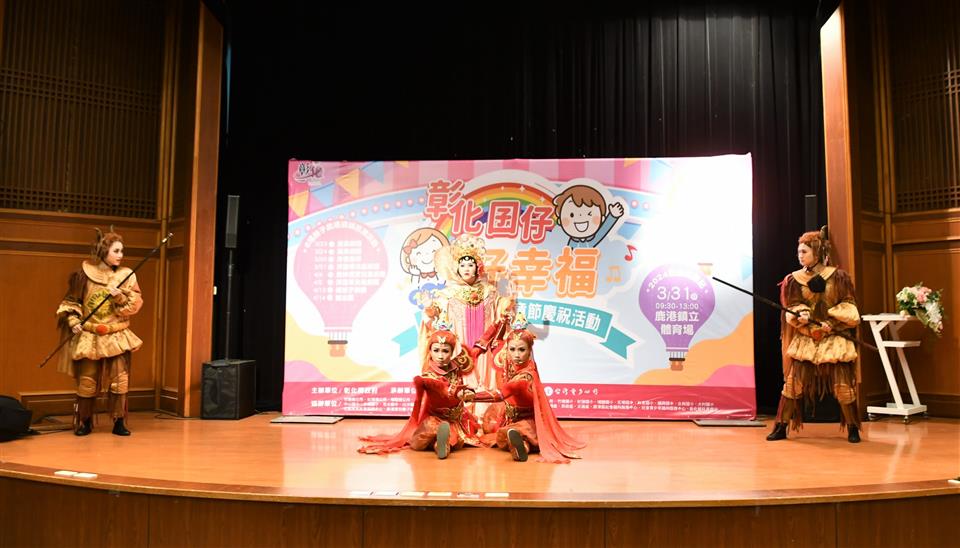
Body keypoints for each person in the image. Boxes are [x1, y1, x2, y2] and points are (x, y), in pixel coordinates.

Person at [767, 228, 862, 443]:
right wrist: (801, 315)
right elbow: (792, 305)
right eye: (799, 252)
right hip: (807, 336)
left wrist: (832, 323)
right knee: (792, 385)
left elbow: (849, 305)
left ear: (817, 252)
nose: (800, 256)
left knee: (843, 387)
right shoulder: (794, 279)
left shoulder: (838, 277)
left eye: (804, 252)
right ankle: (781, 426)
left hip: (834, 337)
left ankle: (852, 427)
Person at [56, 228, 143, 436]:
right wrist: (73, 320)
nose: (121, 255)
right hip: (90, 335)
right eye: (116, 251)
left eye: (122, 251)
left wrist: (119, 297)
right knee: (87, 380)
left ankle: (119, 421)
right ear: (104, 251)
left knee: (120, 380)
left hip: (116, 334)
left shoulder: (126, 276)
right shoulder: (83, 275)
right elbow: (71, 302)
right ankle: (85, 421)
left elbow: (134, 305)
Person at [463, 315, 585, 463]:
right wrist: (501, 323)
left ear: (529, 351)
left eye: (522, 350)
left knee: (512, 434)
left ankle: (521, 447)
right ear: (507, 350)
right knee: (494, 428)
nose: (516, 355)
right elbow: (496, 343)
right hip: (507, 415)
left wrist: (471, 396)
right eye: (512, 349)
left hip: (527, 420)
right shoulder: (507, 359)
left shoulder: (525, 376)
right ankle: (518, 442)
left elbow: (499, 394)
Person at [358, 316, 481, 459]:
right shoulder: (428, 375)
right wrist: (458, 393)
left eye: (445, 351)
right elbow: (441, 389)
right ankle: (440, 442)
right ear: (430, 351)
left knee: (457, 440)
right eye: (436, 350)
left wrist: (469, 392)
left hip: (457, 419)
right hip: (435, 417)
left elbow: (473, 360)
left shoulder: (456, 367)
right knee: (422, 438)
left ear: (452, 352)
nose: (440, 356)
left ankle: (441, 445)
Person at [423, 235, 514, 397]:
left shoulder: (489, 291)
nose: (466, 268)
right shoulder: (448, 293)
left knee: (486, 374)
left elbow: (499, 307)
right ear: (456, 268)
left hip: (485, 343)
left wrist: (507, 303)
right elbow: (435, 313)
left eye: (471, 265)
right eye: (462, 265)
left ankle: (484, 407)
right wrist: (430, 307)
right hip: (460, 343)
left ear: (478, 268)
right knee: (461, 375)